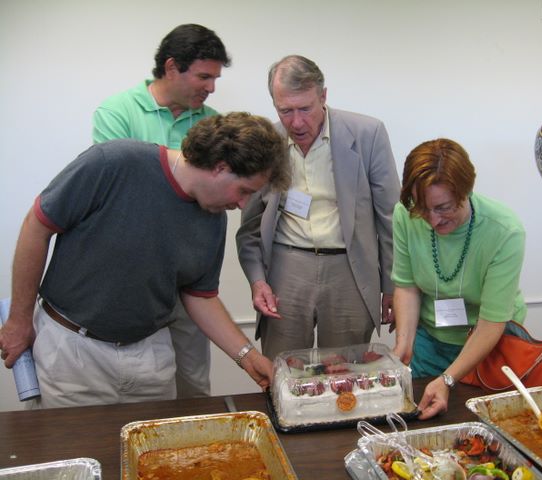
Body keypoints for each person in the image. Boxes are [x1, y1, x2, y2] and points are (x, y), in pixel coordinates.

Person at [0, 113, 289, 408]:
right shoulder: (113, 163)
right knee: (74, 438)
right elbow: (37, 227)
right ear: (220, 167)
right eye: (244, 191)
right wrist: (19, 321)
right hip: (72, 350)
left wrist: (248, 357)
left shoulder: (213, 220)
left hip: (150, 353)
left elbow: (200, 296)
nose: (242, 204)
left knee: (151, 437)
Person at [92, 24, 230, 398]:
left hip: (189, 279)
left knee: (195, 383)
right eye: (204, 76)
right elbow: (121, 193)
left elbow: (214, 194)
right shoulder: (117, 112)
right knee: (143, 388)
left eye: (215, 79)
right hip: (136, 278)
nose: (211, 88)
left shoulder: (213, 123)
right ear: (171, 67)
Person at [236, 55, 400, 359]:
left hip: (349, 269)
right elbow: (249, 228)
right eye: (285, 111)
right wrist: (257, 280)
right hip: (286, 268)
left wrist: (392, 285)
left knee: (345, 370)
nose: (297, 122)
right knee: (284, 367)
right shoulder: (266, 142)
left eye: (305, 109)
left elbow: (390, 218)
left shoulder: (368, 134)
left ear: (323, 97)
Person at [392, 138, 527, 420]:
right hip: (431, 342)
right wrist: (404, 343)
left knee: (484, 427)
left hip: (491, 348)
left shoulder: (505, 231)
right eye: (423, 208)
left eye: (443, 207)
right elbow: (407, 286)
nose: (432, 220)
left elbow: (491, 322)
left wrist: (448, 379)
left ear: (466, 191)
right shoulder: (406, 214)